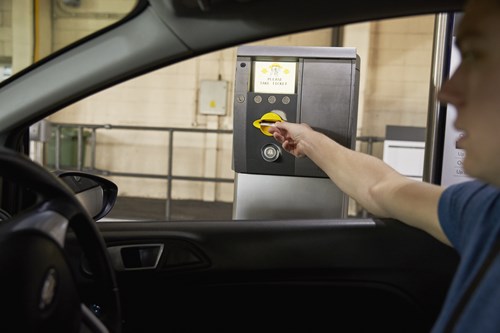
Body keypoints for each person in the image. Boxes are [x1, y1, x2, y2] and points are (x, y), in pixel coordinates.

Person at [268, 0, 500, 331]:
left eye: (476, 55)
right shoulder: (485, 210)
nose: (447, 92)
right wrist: (308, 140)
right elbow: (383, 188)